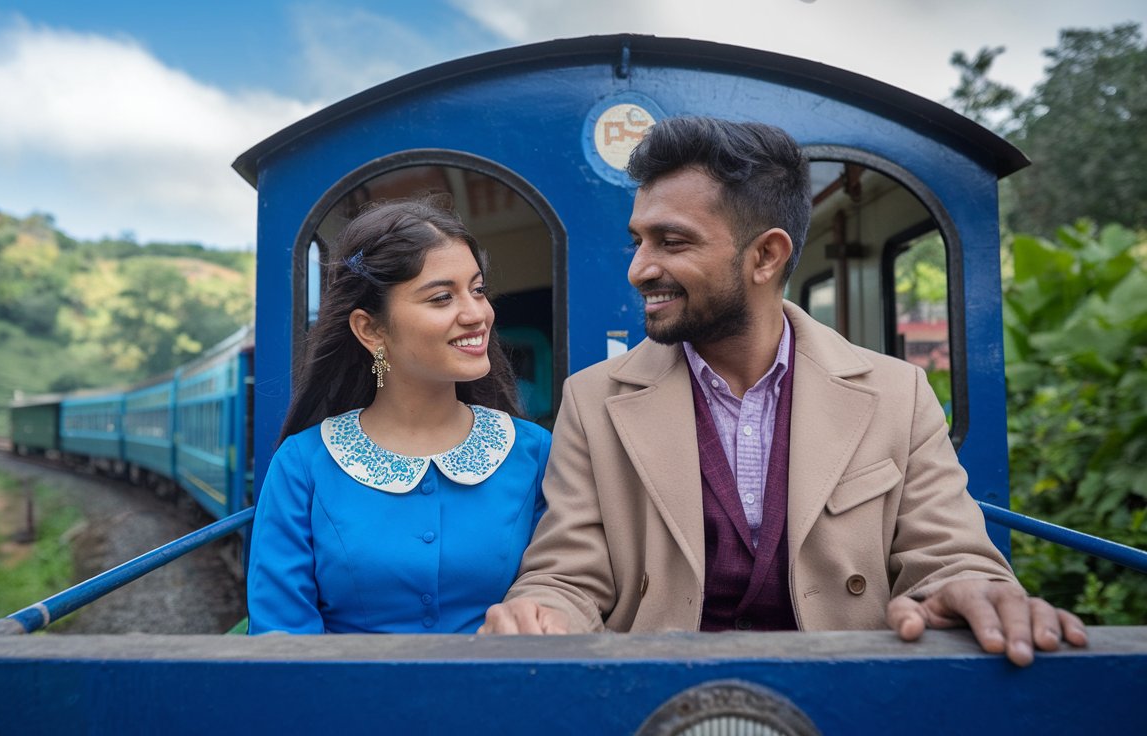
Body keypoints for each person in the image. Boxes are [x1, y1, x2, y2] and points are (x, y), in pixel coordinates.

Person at [480, 116, 1086, 666]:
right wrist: (542, 613)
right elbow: (568, 574)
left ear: (766, 255)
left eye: (672, 241)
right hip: (663, 699)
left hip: (842, 695)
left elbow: (951, 554)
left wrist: (971, 589)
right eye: (638, 240)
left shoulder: (897, 394)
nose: (639, 268)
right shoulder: (593, 400)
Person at [247, 197, 551, 634]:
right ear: (371, 329)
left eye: (478, 289)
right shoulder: (302, 466)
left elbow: (557, 590)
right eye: (443, 297)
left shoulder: (534, 453)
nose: (477, 314)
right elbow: (281, 640)